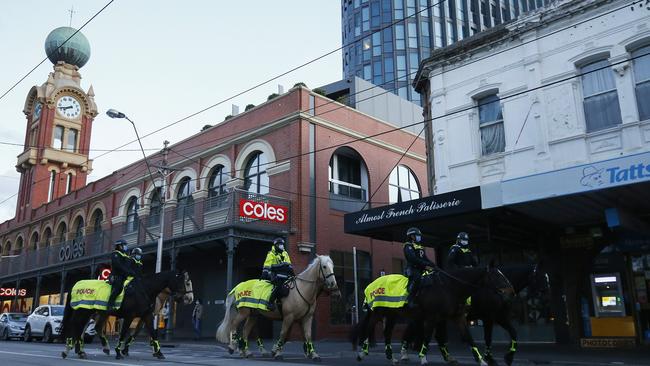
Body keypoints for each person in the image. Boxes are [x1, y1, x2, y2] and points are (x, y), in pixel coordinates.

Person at [403, 227, 438, 308]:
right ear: (412, 236)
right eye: (417, 235)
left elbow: (425, 258)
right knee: (417, 279)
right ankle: (410, 299)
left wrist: (432, 264)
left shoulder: (420, 246)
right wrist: (425, 263)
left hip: (421, 268)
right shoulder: (408, 246)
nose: (419, 237)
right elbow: (413, 259)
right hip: (413, 269)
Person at [261, 237, 294, 311]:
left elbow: (289, 264)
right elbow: (267, 264)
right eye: (280, 244)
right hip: (275, 275)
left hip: (285, 275)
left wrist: (292, 273)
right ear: (276, 245)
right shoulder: (271, 253)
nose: (282, 246)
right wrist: (265, 272)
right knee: (279, 286)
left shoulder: (285, 253)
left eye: (282, 244)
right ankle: (270, 302)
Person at [107, 239, 136, 310]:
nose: (126, 246)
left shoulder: (126, 255)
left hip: (125, 277)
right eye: (124, 245)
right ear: (120, 246)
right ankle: (109, 305)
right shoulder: (115, 254)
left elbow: (129, 266)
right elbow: (119, 265)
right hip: (116, 276)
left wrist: (133, 272)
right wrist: (128, 271)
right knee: (118, 288)